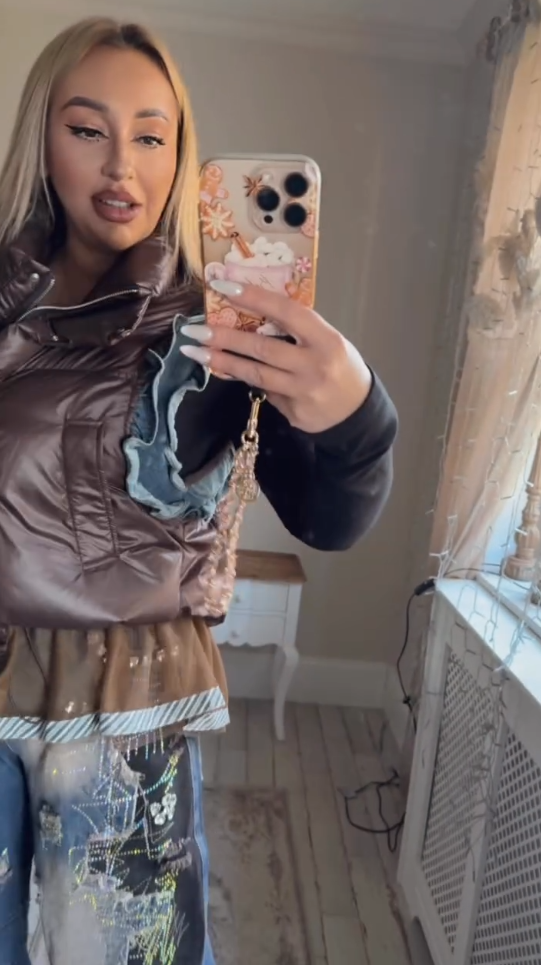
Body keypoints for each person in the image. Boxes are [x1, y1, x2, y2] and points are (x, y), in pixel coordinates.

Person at [0, 17, 398, 965]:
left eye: (151, 135)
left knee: (124, 952)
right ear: (41, 138)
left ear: (180, 155)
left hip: (122, 695)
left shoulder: (215, 318)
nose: (121, 165)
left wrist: (352, 414)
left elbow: (327, 518)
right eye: (87, 129)